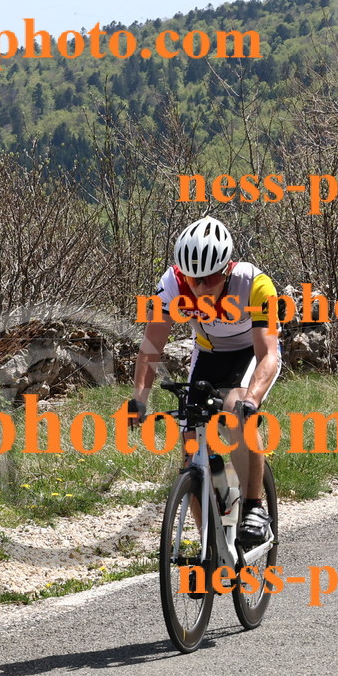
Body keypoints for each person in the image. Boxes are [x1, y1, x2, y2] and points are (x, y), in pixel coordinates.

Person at [130, 216, 282, 549]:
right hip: (209, 354)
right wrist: (139, 399)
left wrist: (251, 399)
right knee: (191, 446)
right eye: (193, 280)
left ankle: (255, 508)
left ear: (227, 269)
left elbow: (267, 353)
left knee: (235, 410)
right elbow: (151, 345)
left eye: (210, 278)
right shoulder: (171, 284)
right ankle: (209, 547)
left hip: (250, 353)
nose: (201, 288)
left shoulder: (256, 285)